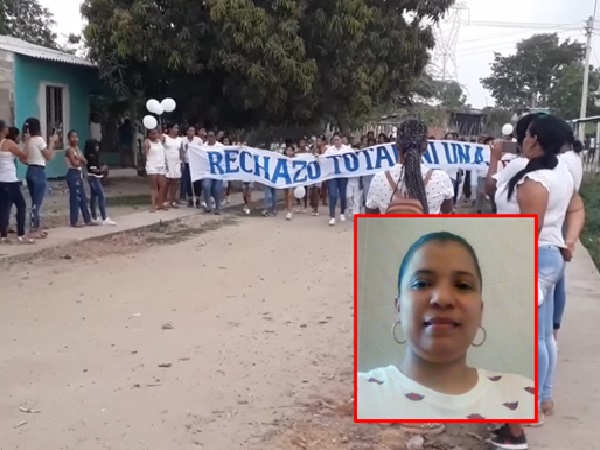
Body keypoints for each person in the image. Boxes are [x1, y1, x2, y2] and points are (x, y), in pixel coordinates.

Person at [357, 232, 535, 423]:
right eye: (422, 283)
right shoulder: (360, 393)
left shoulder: (525, 396)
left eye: (463, 286)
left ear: (480, 311)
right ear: (398, 308)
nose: (442, 299)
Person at [486, 114, 585, 447]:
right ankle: (539, 400)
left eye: (527, 134)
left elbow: (526, 231)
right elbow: (575, 209)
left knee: (521, 340)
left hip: (530, 258)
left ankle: (518, 421)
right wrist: (568, 242)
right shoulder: (560, 173)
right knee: (541, 337)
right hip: (549, 257)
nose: (523, 139)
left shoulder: (534, 181)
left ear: (536, 139)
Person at [365, 120, 454, 215]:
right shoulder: (441, 179)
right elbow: (447, 211)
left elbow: (370, 219)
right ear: (425, 147)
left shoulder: (379, 179)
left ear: (397, 145)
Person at [553, 137, 583, 342]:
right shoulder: (575, 159)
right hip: (564, 215)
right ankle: (555, 325)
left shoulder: (560, 163)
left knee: (555, 277)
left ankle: (553, 323)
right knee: (559, 275)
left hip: (558, 217)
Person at [0, 121, 34, 244]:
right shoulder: (8, 143)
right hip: (10, 180)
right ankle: (21, 234)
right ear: (4, 129)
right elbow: (24, 155)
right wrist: (27, 141)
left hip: (1, 180)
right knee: (21, 205)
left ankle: (3, 236)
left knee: (3, 208)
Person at [24, 118, 57, 238]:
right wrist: (52, 142)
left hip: (30, 170)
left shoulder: (28, 141)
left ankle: (36, 227)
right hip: (39, 170)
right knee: (37, 202)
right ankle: (34, 229)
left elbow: (25, 157)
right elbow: (48, 156)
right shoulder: (39, 140)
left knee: (34, 201)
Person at [65, 130, 97, 228]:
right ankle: (74, 221)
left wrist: (80, 160)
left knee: (83, 197)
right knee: (75, 198)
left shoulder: (77, 149)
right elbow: (75, 163)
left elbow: (85, 161)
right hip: (72, 173)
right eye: (72, 137)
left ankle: (87, 219)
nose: (75, 139)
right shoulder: (69, 149)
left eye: (76, 137)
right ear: (69, 138)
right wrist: (80, 160)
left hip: (78, 173)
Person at [83, 139, 116, 226]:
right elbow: (92, 169)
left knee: (93, 198)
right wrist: (102, 170)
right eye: (96, 145)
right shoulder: (91, 156)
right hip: (94, 178)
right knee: (101, 196)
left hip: (94, 177)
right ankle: (104, 217)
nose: (97, 147)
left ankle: (94, 217)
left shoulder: (93, 155)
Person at [322, 132, 352, 226]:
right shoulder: (330, 150)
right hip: (333, 175)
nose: (336, 141)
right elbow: (324, 159)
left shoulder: (347, 149)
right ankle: (332, 216)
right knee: (332, 195)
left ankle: (342, 212)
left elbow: (354, 158)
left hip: (343, 175)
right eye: (334, 140)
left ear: (341, 140)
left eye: (338, 139)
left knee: (343, 195)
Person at [144, 128, 168, 212]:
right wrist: (147, 147)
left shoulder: (160, 140)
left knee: (163, 185)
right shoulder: (148, 142)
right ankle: (153, 206)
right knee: (154, 186)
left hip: (161, 165)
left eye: (156, 133)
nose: (154, 135)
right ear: (149, 134)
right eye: (152, 133)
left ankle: (160, 203)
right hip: (152, 165)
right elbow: (146, 154)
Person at [202, 131, 224, 214]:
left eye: (212, 136)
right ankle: (208, 205)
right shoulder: (203, 146)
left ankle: (218, 207)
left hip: (218, 171)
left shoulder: (220, 146)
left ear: (215, 137)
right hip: (207, 171)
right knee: (206, 186)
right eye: (209, 136)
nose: (210, 138)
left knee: (217, 189)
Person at [181, 126, 203, 207]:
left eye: (193, 131)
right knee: (188, 181)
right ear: (187, 132)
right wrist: (182, 162)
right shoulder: (183, 140)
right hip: (187, 162)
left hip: (196, 163)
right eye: (190, 131)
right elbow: (182, 152)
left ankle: (198, 199)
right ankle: (190, 199)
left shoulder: (198, 141)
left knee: (197, 181)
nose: (192, 133)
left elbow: (201, 151)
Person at [163, 123, 183, 208]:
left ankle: (172, 200)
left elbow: (181, 151)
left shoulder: (179, 139)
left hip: (177, 162)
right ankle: (165, 200)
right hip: (167, 162)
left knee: (175, 182)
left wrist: (182, 162)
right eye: (175, 128)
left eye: (177, 128)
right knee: (167, 181)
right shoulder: (165, 137)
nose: (176, 130)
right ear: (170, 129)